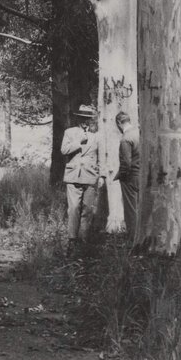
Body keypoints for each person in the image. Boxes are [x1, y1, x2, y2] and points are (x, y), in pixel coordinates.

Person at [61, 104, 103, 253]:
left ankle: (83, 239)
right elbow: (64, 150)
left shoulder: (97, 135)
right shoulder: (70, 132)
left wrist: (101, 175)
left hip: (90, 176)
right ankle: (72, 239)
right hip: (73, 176)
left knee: (87, 209)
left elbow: (101, 157)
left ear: (91, 120)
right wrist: (78, 142)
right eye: (82, 118)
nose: (84, 122)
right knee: (73, 208)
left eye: (87, 119)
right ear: (77, 118)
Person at [113, 111, 140, 244]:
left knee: (131, 211)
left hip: (131, 177)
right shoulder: (140, 134)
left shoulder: (126, 138)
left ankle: (132, 240)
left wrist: (121, 176)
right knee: (142, 209)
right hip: (144, 176)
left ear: (119, 123)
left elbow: (126, 164)